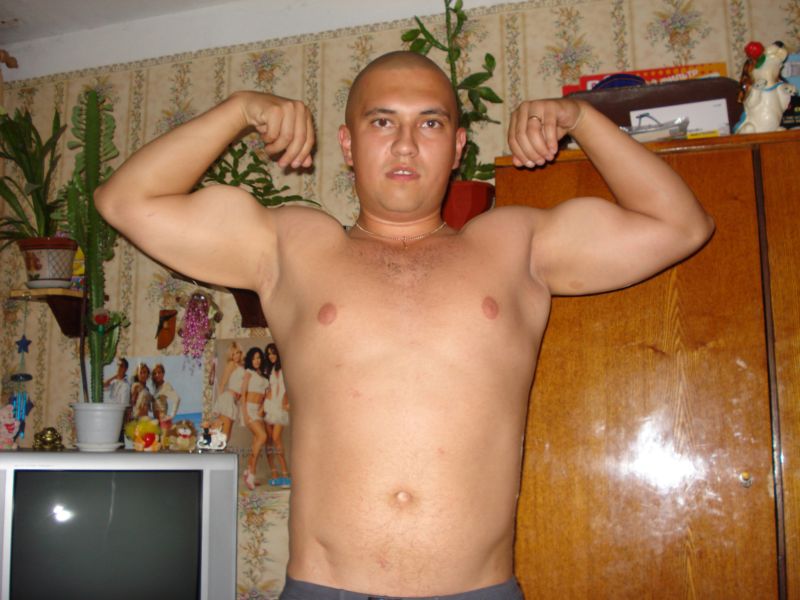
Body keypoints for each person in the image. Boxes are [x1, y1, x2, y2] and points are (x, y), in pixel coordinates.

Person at [95, 51, 714, 599]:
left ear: (458, 146)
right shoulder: (292, 247)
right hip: (326, 589)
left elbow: (681, 226)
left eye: (430, 123)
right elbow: (125, 201)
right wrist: (239, 109)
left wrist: (581, 117)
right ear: (347, 144)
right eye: (383, 122)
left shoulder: (514, 246)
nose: (406, 145)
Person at [240, 346, 270, 490]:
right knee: (263, 436)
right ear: (250, 360)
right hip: (249, 409)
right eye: (254, 358)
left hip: (259, 412)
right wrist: (245, 414)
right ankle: (251, 473)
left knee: (256, 442)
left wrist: (262, 410)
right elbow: (243, 394)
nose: (256, 361)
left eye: (258, 358)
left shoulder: (264, 376)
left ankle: (249, 471)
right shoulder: (248, 372)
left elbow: (267, 396)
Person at [263, 342, 290, 487]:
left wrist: (289, 403)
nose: (271, 356)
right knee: (270, 440)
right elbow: (269, 390)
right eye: (269, 354)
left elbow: (291, 387)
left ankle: (285, 472)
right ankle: (275, 472)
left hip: (281, 406)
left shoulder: (287, 367)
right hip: (270, 405)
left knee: (276, 438)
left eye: (273, 353)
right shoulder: (271, 370)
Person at [211, 341, 246, 441]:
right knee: (224, 435)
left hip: (234, 401)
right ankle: (216, 449)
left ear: (241, 352)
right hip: (227, 400)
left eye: (237, 352)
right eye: (233, 354)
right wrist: (219, 405)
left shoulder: (242, 366)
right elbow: (222, 385)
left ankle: (219, 449)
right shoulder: (231, 364)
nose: (235, 356)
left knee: (227, 435)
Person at [151, 362, 181, 430]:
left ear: (163, 373)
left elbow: (177, 399)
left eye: (159, 372)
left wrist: (171, 415)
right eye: (155, 373)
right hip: (158, 422)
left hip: (163, 422)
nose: (157, 375)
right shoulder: (157, 388)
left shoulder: (166, 385)